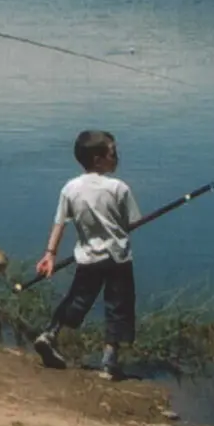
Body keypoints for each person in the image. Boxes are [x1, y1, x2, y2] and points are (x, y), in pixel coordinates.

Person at [32, 130, 141, 382]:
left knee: (77, 299)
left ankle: (49, 334)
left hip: (87, 258)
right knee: (118, 306)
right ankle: (108, 363)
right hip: (118, 259)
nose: (118, 158)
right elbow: (133, 222)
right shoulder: (119, 188)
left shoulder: (70, 188)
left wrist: (50, 254)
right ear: (98, 160)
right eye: (113, 153)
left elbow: (60, 222)